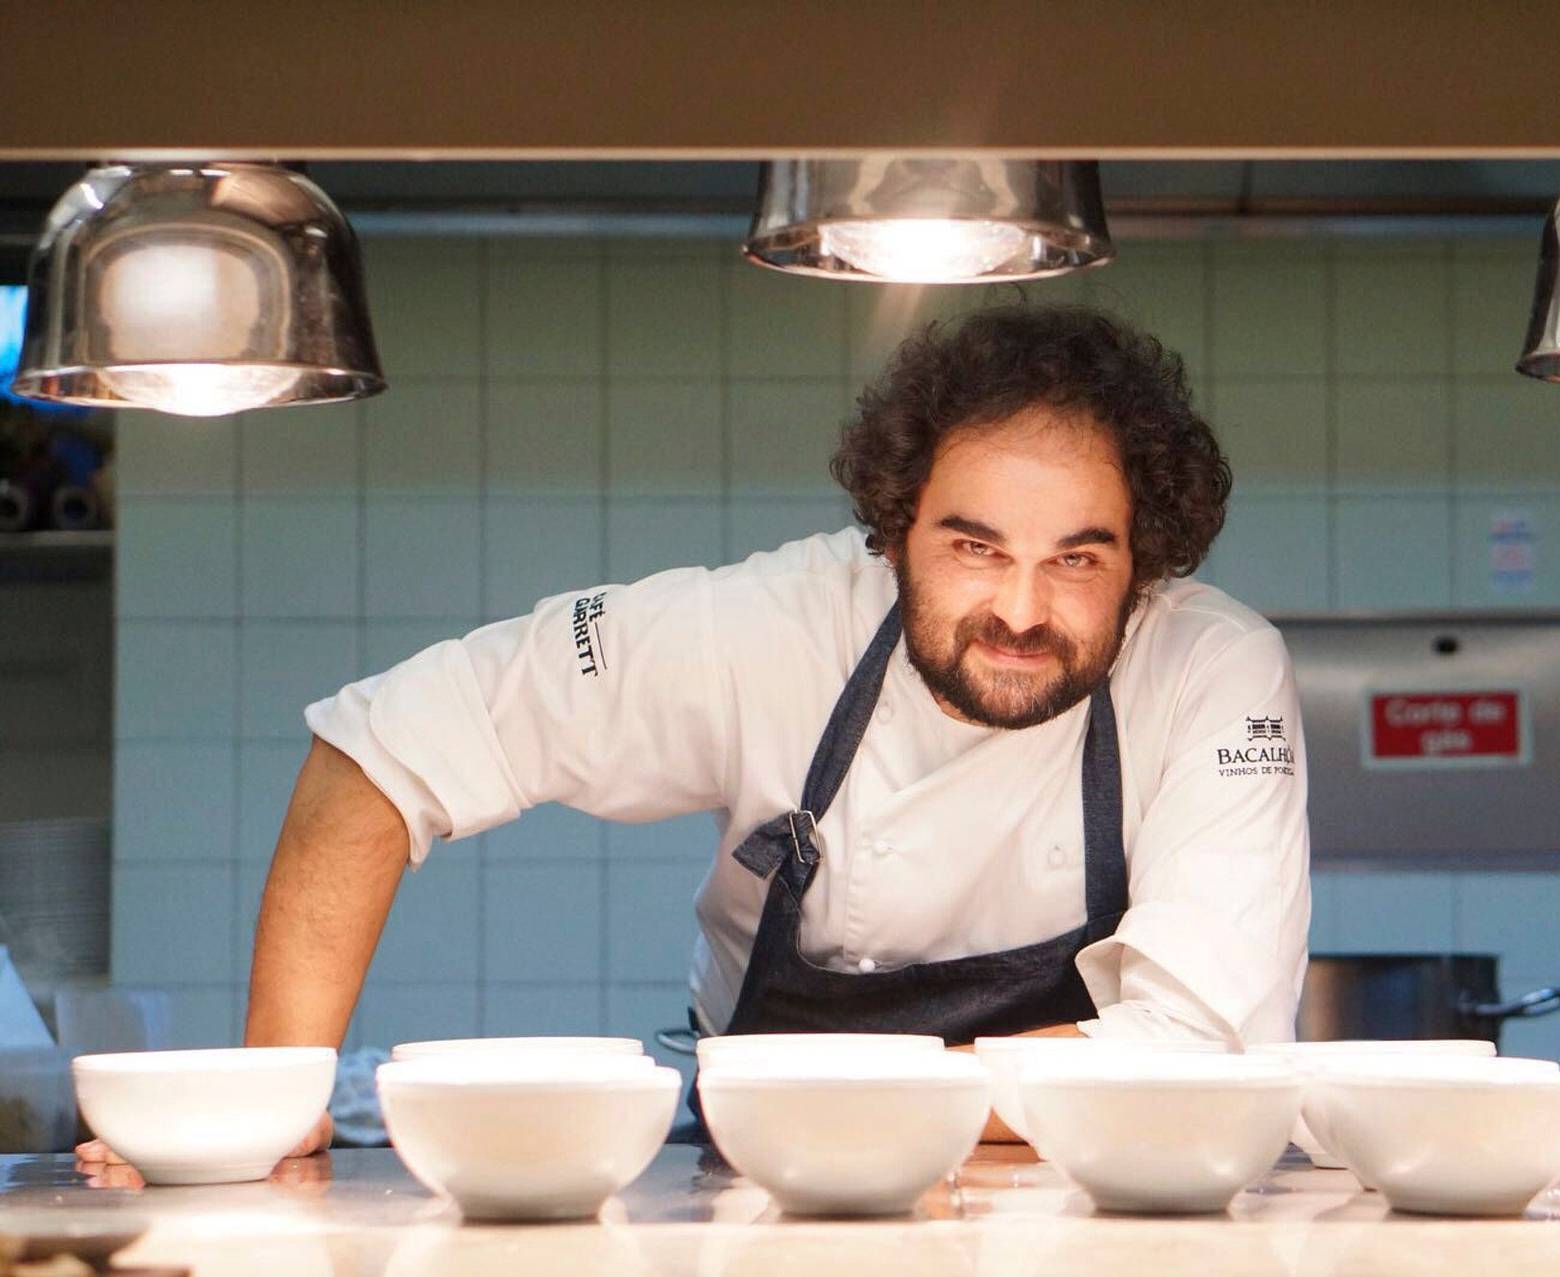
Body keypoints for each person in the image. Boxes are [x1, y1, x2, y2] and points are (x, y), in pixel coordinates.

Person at [80, 303, 1309, 1162]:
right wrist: (275, 1094)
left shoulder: (1212, 665)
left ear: (1147, 557)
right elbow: (384, 745)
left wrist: (851, 1099)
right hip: (769, 1196)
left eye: (1077, 559)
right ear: (894, 530)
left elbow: (1193, 1050)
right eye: (974, 547)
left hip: (1089, 1206)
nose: (1023, 610)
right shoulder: (766, 629)